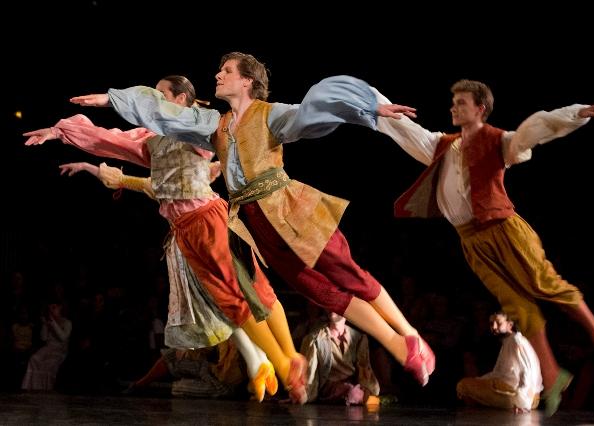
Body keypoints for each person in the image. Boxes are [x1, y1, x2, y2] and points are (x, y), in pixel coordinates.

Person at [66, 52, 435, 387]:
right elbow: (169, 114)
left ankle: (409, 333)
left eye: (226, 71)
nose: (218, 74)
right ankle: (400, 347)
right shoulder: (215, 124)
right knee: (321, 293)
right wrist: (111, 100)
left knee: (346, 273)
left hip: (290, 209)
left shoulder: (270, 114)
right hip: (256, 221)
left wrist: (366, 107)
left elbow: (313, 109)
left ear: (247, 81)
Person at [23, 75, 306, 403]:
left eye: (160, 94)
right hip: (185, 230)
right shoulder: (151, 140)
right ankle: (279, 362)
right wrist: (59, 132)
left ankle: (285, 360)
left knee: (249, 290)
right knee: (230, 301)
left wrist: (112, 98)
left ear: (181, 99)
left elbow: (230, 135)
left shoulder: (197, 127)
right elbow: (109, 139)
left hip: (208, 218)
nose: (153, 100)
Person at [373, 78, 594, 415]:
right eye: (453, 101)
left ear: (480, 109)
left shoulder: (497, 141)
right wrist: (370, 102)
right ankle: (552, 375)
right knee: (516, 305)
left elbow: (534, 129)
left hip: (503, 228)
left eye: (461, 102)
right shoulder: (441, 146)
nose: (454, 107)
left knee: (544, 283)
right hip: (472, 241)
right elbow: (405, 129)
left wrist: (575, 114)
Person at [58, 160, 278, 402]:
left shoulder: (170, 184)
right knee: (224, 310)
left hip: (202, 250)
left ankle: (258, 360)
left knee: (224, 309)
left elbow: (122, 180)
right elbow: (121, 179)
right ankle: (258, 360)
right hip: (206, 246)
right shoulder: (174, 183)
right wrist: (86, 167)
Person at [457, 311, 542, 414]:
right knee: (469, 384)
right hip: (516, 393)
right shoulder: (508, 341)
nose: (494, 327)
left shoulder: (516, 340)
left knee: (463, 385)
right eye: (491, 323)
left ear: (510, 324)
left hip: (524, 397)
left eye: (498, 323)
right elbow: (497, 373)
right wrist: (478, 380)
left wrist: (524, 403)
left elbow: (527, 370)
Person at [300, 311, 380, 406]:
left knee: (368, 390)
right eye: (330, 305)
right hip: (330, 387)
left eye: (337, 306)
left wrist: (368, 388)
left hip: (353, 384)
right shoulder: (316, 339)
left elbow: (364, 367)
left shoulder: (358, 338)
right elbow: (310, 372)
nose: (333, 309)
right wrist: (304, 394)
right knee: (352, 393)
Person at [22, 299, 72, 390]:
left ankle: (46, 388)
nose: (52, 311)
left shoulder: (67, 322)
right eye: (50, 309)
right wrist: (45, 325)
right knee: (34, 359)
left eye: (54, 308)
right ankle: (33, 387)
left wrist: (54, 323)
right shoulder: (49, 322)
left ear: (60, 307)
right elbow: (44, 338)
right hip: (48, 347)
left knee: (49, 364)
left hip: (59, 349)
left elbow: (63, 337)